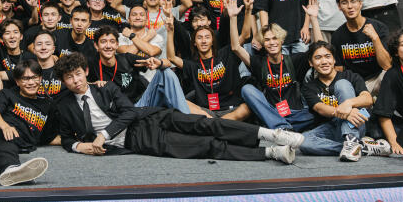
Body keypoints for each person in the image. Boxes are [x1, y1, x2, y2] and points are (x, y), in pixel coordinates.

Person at [54, 53, 300, 164]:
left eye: (78, 74)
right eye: (69, 77)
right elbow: (66, 138)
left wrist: (103, 135)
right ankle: (270, 153)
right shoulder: (64, 106)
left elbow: (129, 112)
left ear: (86, 72)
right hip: (140, 140)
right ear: (63, 81)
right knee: (205, 147)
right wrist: (79, 146)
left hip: (150, 118)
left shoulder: (105, 88)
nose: (75, 81)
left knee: (208, 124)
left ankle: (272, 135)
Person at [238, 0, 323, 131]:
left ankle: (283, 129)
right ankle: (282, 127)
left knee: (318, 114)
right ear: (263, 44)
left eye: (275, 38)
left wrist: (313, 19)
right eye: (267, 40)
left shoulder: (293, 60)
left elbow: (320, 49)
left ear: (281, 40)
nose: (271, 43)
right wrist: (244, 12)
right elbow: (236, 48)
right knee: (246, 89)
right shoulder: (259, 63)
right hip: (272, 113)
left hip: (296, 114)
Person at [165, 0, 254, 120]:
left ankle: (215, 124)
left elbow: (245, 35)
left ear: (213, 41)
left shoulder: (226, 53)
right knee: (180, 102)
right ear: (194, 43)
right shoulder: (193, 65)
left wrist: (247, 11)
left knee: (247, 109)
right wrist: (170, 31)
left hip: (230, 110)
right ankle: (216, 123)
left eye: (207, 37)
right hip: (206, 112)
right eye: (199, 38)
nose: (204, 41)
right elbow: (171, 57)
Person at [298, 41, 391, 161]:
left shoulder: (350, 76)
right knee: (303, 142)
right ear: (311, 63)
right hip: (332, 126)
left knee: (342, 84)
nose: (324, 61)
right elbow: (320, 108)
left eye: (328, 56)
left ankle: (351, 138)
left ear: (334, 59)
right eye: (318, 58)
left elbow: (368, 99)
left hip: (356, 123)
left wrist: (348, 104)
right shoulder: (309, 86)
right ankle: (362, 147)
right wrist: (345, 113)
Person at [89, 26, 197, 114]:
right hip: (118, 112)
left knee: (166, 72)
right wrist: (93, 84)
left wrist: (159, 63)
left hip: (140, 104)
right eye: (103, 42)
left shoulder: (126, 58)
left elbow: (169, 63)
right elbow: (79, 85)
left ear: (117, 45)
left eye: (112, 42)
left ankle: (185, 116)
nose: (108, 46)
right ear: (96, 46)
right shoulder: (91, 64)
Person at [330, 0, 391, 94]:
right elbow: (338, 69)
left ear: (360, 4)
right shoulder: (337, 36)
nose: (350, 6)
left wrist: (375, 38)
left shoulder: (379, 27)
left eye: (353, 1)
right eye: (344, 3)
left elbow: (386, 65)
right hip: (355, 83)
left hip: (377, 79)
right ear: (339, 7)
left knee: (389, 75)